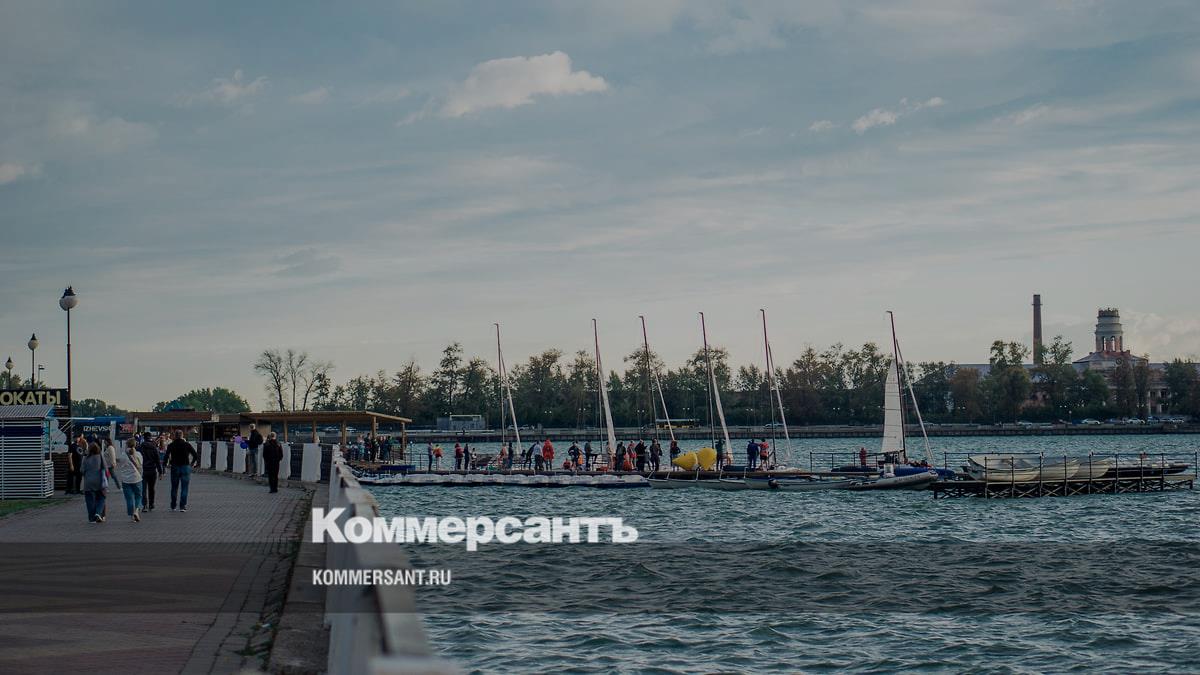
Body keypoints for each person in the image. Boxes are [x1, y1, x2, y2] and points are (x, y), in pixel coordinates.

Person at [164, 430, 199, 511]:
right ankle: (182, 506)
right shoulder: (187, 444)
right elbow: (195, 455)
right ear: (182, 436)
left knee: (174, 487)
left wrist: (164, 465)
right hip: (185, 467)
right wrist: (191, 464)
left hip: (175, 467)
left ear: (175, 436)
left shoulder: (171, 445)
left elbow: (166, 456)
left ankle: (173, 505)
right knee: (184, 488)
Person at [114, 439, 144, 522]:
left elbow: (120, 464)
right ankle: (136, 510)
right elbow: (140, 464)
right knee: (138, 496)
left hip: (126, 479)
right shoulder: (138, 454)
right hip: (136, 478)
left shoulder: (122, 455)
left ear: (127, 445)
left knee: (129, 498)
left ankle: (131, 515)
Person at [81, 442, 107, 523]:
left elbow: (82, 470)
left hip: (88, 482)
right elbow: (105, 468)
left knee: (90, 501)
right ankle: (98, 513)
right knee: (101, 498)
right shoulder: (100, 456)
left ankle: (92, 519)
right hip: (99, 481)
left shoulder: (85, 458)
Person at [138, 432, 164, 511]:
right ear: (150, 437)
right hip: (152, 470)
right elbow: (157, 460)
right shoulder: (154, 447)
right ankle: (151, 504)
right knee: (151, 488)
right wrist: (160, 472)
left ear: (144, 438)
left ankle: (144, 505)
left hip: (143, 470)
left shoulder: (140, 447)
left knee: (143, 489)